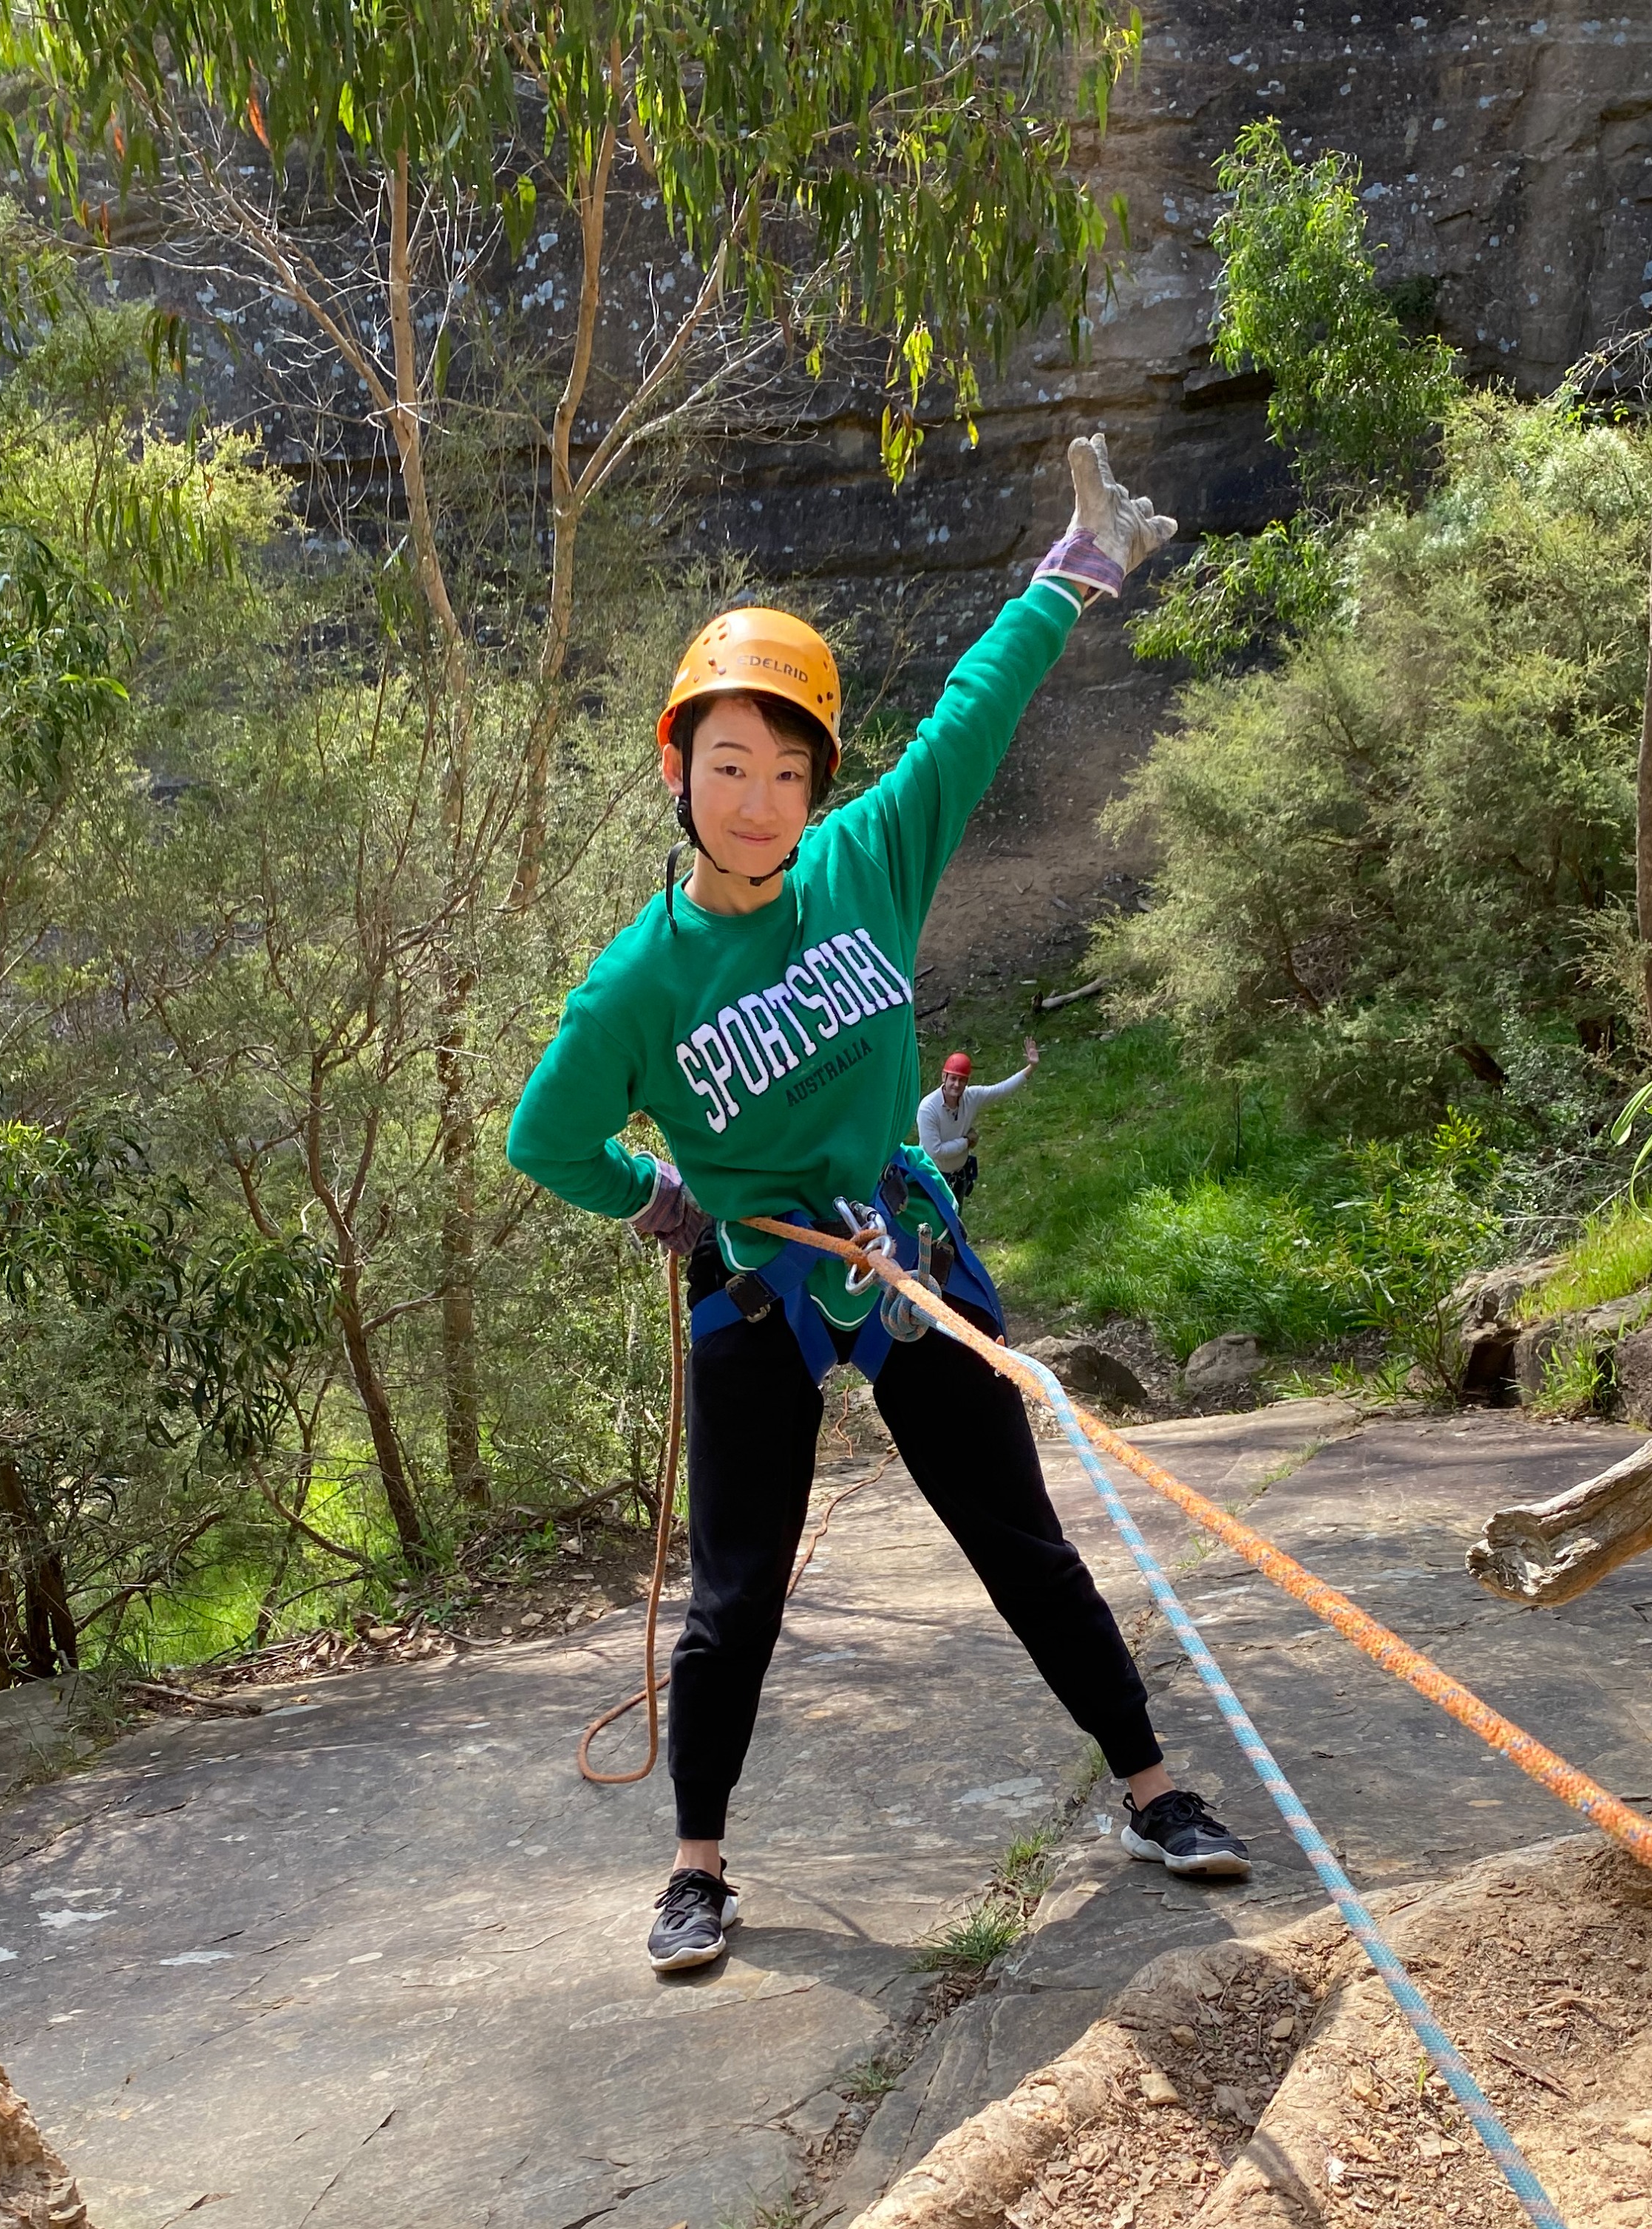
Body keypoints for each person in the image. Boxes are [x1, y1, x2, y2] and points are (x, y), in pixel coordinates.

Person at [507, 435, 1252, 1973]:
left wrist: (1069, 576)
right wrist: (667, 1203)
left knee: (1022, 1542)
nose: (761, 798)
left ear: (816, 783)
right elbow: (545, 1134)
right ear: (677, 768)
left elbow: (970, 723)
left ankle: (1154, 1785)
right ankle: (699, 1865)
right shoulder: (634, 984)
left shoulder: (867, 862)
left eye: (787, 769)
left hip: (903, 1253)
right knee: (732, 1597)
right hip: (760, 1292)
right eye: (730, 765)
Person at [917, 1039, 1039, 1205]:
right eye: (953, 1078)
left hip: (959, 1175)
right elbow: (935, 1151)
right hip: (933, 1178)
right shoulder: (927, 1109)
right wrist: (966, 1142)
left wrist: (1031, 1068)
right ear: (944, 1076)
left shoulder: (971, 1096)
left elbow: (1001, 1090)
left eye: (962, 1080)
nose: (957, 1084)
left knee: (956, 1220)